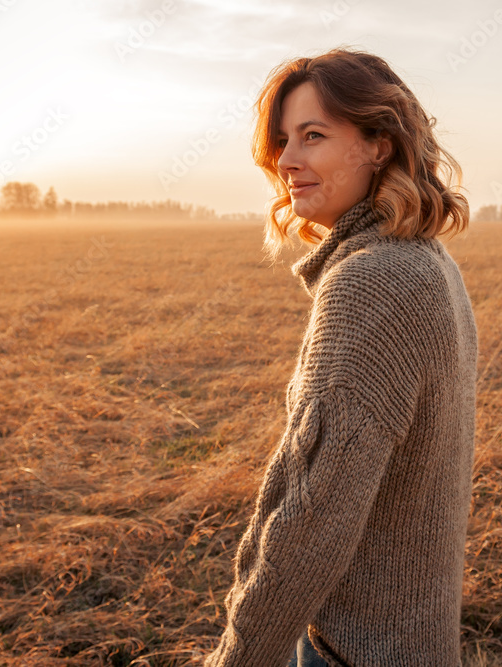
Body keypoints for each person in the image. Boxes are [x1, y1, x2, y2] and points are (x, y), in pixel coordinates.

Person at [203, 47, 477, 667]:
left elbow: (311, 517)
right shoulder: (426, 261)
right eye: (282, 140)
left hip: (356, 654)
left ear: (378, 144)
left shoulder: (372, 282)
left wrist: (236, 659)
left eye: (314, 135)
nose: (287, 160)